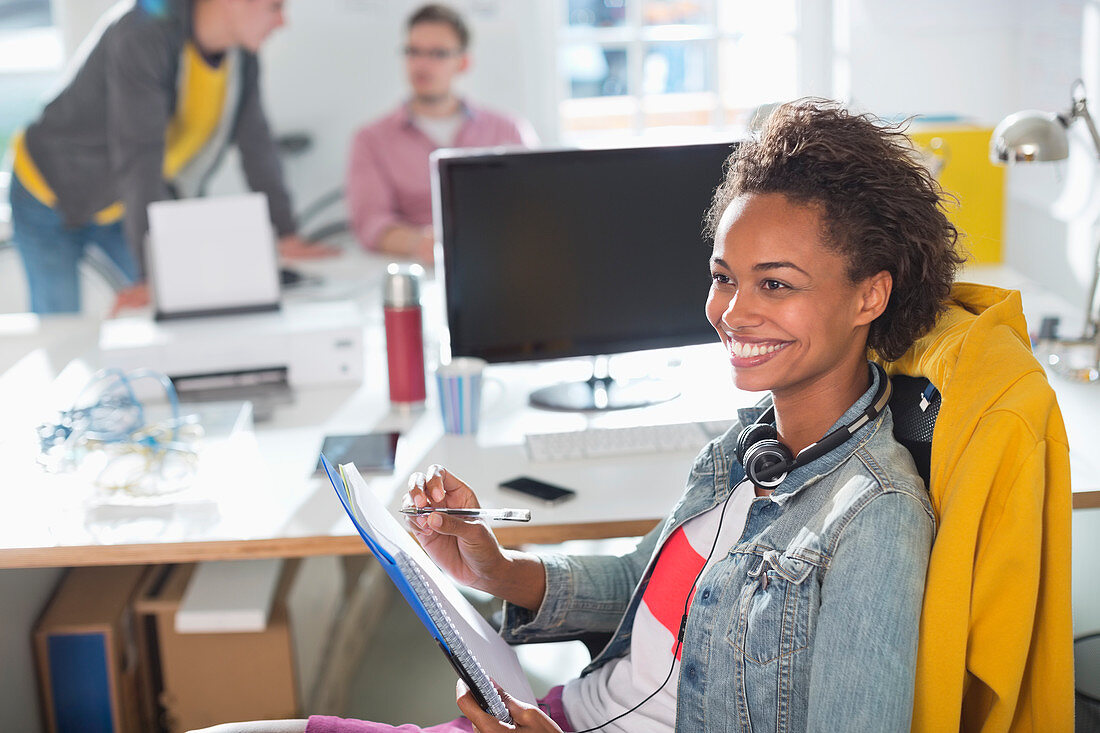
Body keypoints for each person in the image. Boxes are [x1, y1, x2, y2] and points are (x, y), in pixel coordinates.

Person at [197, 99, 962, 733]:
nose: (732, 312)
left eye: (775, 284)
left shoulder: (876, 519)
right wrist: (499, 568)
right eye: (724, 277)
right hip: (560, 712)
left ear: (871, 295)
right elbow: (644, 581)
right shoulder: (752, 444)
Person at [9, 0, 335, 316]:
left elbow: (257, 144)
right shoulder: (144, 32)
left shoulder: (241, 59)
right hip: (47, 190)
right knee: (60, 320)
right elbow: (140, 155)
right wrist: (152, 274)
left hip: (122, 201)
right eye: (275, 6)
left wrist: (284, 232)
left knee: (178, 296)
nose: (283, 22)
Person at [346, 4, 537, 263]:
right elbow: (370, 223)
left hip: (501, 262)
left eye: (437, 54)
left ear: (463, 62)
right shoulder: (370, 140)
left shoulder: (508, 130)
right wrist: (422, 243)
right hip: (417, 268)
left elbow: (535, 207)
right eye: (413, 52)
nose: (422, 64)